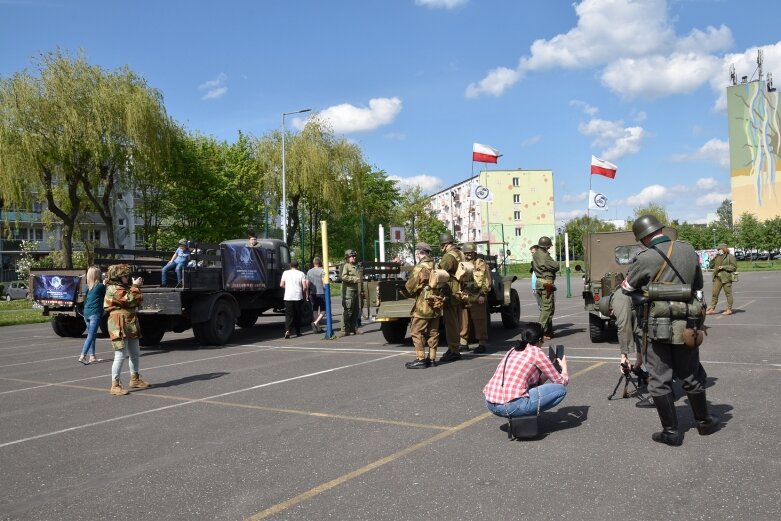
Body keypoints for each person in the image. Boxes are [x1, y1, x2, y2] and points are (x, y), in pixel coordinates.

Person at [620, 214, 719, 446]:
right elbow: (697, 286)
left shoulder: (645, 257)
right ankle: (704, 422)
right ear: (660, 229)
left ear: (643, 237)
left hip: (656, 326)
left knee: (659, 378)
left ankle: (671, 432)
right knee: (691, 373)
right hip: (687, 323)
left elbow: (627, 288)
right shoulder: (687, 249)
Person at [483, 322, 568, 418]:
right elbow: (561, 382)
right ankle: (526, 414)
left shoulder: (513, 350)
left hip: (490, 403)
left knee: (528, 388)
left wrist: (547, 371)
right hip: (511, 406)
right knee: (561, 390)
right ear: (540, 340)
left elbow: (535, 383)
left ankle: (522, 414)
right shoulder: (537, 353)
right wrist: (564, 368)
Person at [104, 264, 151, 396]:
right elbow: (131, 300)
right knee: (120, 355)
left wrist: (134, 288)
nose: (127, 278)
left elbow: (137, 301)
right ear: (117, 277)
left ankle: (135, 379)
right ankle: (115, 385)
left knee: (135, 352)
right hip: (119, 322)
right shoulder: (114, 288)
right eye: (125, 276)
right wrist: (135, 287)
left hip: (129, 320)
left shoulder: (123, 288)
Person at [404, 243, 441, 368]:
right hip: (436, 303)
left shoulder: (420, 267)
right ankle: (432, 359)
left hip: (423, 305)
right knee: (433, 332)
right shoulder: (436, 265)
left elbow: (410, 286)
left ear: (420, 253)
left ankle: (420, 359)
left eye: (417, 253)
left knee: (416, 331)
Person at [438, 232, 467, 362]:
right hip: (460, 290)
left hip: (451, 292)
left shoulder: (448, 256)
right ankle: (454, 347)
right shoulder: (460, 253)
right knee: (456, 321)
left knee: (451, 323)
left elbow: (439, 272)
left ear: (444, 245)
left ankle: (454, 350)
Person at [463, 242, 492, 353]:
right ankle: (463, 343)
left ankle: (482, 343)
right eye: (467, 253)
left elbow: (487, 280)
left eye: (471, 252)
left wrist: (483, 294)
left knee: (479, 320)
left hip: (477, 296)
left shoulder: (480, 264)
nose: (469, 254)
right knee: (463, 322)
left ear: (475, 252)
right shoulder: (461, 264)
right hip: (464, 296)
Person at [532, 236, 560, 340]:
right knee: (547, 309)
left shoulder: (536, 254)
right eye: (548, 246)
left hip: (540, 284)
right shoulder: (544, 256)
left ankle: (548, 332)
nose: (549, 248)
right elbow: (556, 266)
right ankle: (538, 333)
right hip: (546, 285)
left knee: (548, 308)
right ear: (546, 246)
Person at [78, 266, 106, 365]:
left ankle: (92, 356)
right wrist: (105, 284)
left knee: (92, 334)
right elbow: (106, 295)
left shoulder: (87, 287)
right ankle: (82, 355)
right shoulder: (100, 286)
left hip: (86, 313)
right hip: (95, 313)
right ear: (97, 275)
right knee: (91, 335)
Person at [706, 243, 736, 316]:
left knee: (728, 294)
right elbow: (710, 266)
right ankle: (712, 309)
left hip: (726, 278)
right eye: (718, 249)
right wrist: (712, 259)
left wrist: (723, 267)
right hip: (717, 278)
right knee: (714, 294)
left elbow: (734, 267)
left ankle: (729, 309)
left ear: (724, 249)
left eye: (720, 249)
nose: (719, 250)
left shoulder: (730, 257)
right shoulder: (717, 256)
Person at [280, 260, 308, 338]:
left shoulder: (285, 273)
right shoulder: (301, 273)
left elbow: (281, 284)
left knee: (289, 315)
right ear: (297, 266)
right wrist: (304, 294)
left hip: (288, 296)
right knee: (297, 314)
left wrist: (288, 287)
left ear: (290, 265)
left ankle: (288, 330)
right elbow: (305, 286)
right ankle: (298, 332)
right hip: (298, 296)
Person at [340, 249, 362, 336]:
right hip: (348, 291)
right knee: (348, 310)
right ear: (348, 258)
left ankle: (354, 328)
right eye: (352, 256)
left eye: (354, 256)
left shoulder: (355, 266)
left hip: (356, 290)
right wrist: (354, 279)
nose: (354, 257)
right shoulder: (346, 266)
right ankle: (344, 330)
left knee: (356, 310)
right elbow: (343, 277)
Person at [306, 256, 326, 333]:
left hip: (313, 293)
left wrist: (307, 293)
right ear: (320, 262)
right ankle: (315, 323)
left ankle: (318, 327)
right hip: (321, 292)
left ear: (314, 263)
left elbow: (307, 284)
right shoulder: (322, 271)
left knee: (315, 309)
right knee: (324, 310)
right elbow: (324, 282)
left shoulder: (309, 272)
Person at [529, 245, 541, 310]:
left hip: (541, 286)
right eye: (531, 252)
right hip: (535, 287)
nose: (532, 254)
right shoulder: (534, 262)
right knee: (540, 306)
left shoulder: (542, 261)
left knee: (544, 307)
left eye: (533, 252)